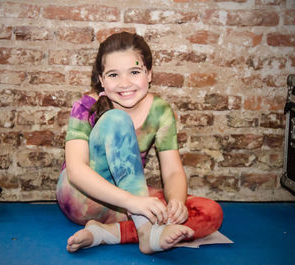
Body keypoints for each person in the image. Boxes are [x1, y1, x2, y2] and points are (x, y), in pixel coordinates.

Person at [56, 32, 223, 254]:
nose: (125, 83)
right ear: (101, 79)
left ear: (149, 74)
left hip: (127, 206)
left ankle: (106, 233)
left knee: (210, 212)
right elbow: (76, 171)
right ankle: (146, 232)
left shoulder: (160, 110)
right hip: (83, 197)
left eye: (134, 72)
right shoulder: (86, 105)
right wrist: (133, 203)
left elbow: (173, 171)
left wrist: (177, 203)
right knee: (118, 119)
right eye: (113, 75)